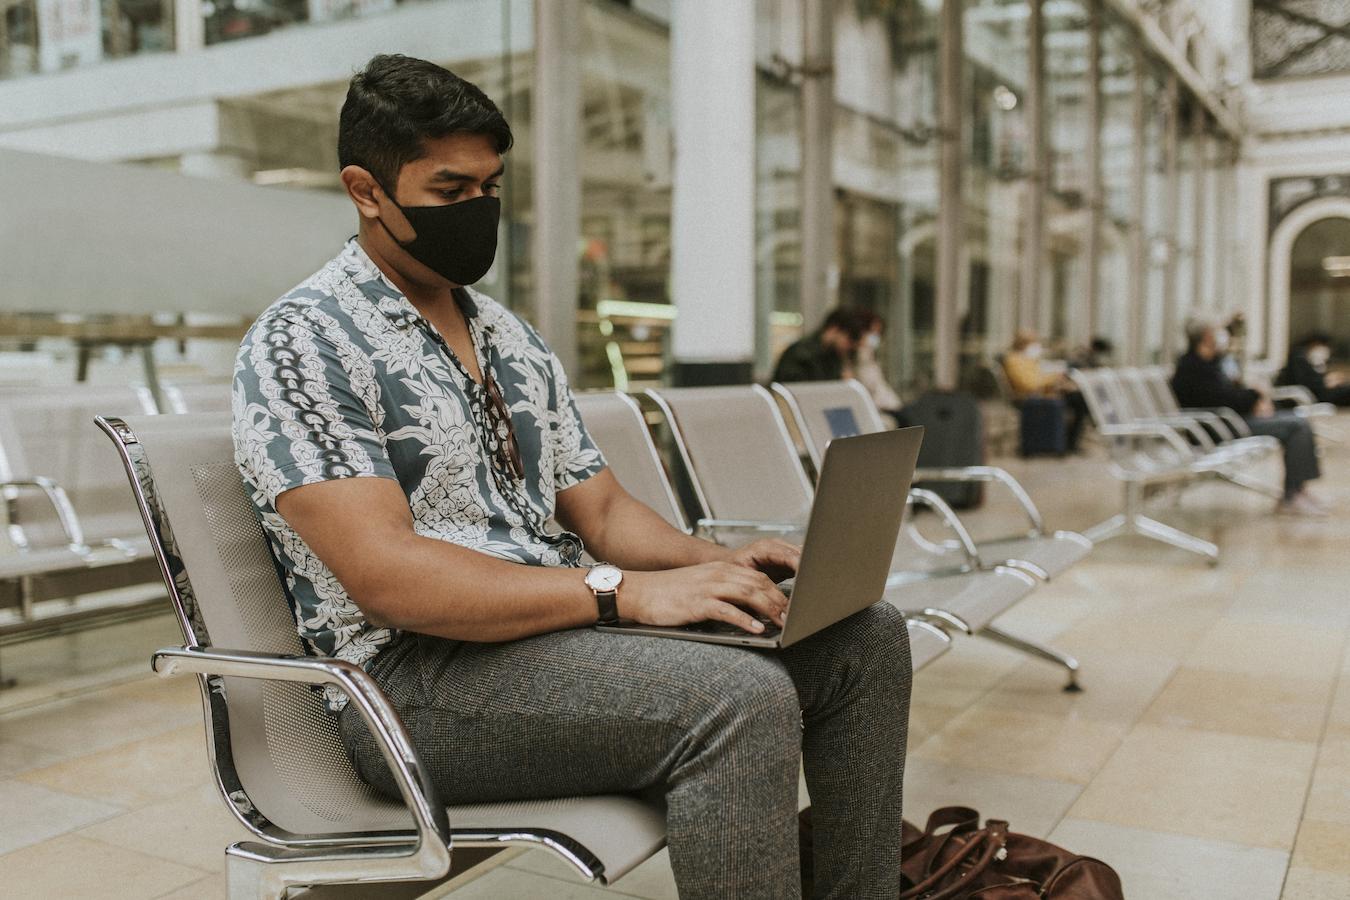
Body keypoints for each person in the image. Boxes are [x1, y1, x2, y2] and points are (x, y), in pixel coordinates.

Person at [231, 55, 912, 899]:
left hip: (554, 633)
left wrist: (710, 566)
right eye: (451, 192)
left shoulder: (508, 336)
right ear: (367, 191)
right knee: (739, 700)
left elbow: (606, 507)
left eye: (491, 187)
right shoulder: (303, 343)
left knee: (862, 636)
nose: (479, 210)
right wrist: (618, 593)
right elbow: (388, 579)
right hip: (409, 683)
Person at [1171, 319, 1327, 517]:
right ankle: (1292, 495)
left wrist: (1254, 397)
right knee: (1296, 425)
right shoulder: (1192, 368)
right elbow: (1223, 399)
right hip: (1217, 428)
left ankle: (1297, 490)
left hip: (1229, 421)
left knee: (1296, 420)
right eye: (1218, 331)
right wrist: (1255, 394)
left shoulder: (1210, 363)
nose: (1224, 336)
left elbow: (1228, 395)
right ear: (1207, 336)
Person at [1002, 329, 1089, 453]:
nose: (1037, 347)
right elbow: (1029, 384)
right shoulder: (1015, 360)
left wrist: (1056, 382)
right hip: (1029, 397)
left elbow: (1037, 379)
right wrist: (1053, 379)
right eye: (1033, 343)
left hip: (1040, 394)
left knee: (1078, 398)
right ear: (1023, 344)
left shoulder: (1026, 360)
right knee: (1078, 401)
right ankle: (1069, 442)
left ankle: (1068, 441)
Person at [772, 306, 874, 384]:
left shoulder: (834, 356)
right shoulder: (801, 355)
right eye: (848, 340)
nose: (848, 347)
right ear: (834, 329)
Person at [1278, 332, 1350, 407]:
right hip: (1318, 395)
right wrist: (1325, 381)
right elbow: (1308, 382)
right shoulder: (1298, 359)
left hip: (1320, 392)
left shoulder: (1307, 360)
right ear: (1314, 344)